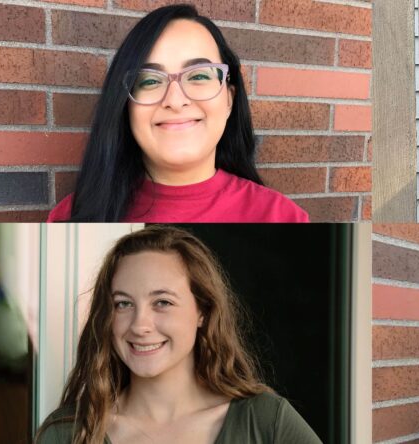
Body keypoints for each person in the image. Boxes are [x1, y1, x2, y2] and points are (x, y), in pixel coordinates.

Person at [35, 226, 321, 443]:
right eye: (123, 304)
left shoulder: (265, 421)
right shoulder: (66, 433)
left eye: (162, 302)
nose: (139, 324)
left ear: (203, 311)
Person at [47, 5, 308, 222]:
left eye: (199, 76)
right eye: (149, 80)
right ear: (125, 104)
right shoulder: (72, 216)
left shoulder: (282, 216)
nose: (175, 100)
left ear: (229, 99)